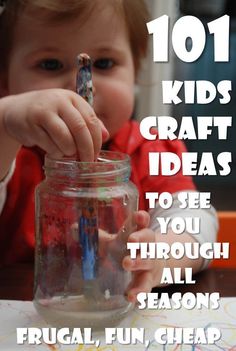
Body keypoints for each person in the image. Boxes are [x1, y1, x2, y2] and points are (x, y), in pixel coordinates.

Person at [0, 0, 218, 303]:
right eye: (50, 64)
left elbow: (196, 224)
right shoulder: (13, 152)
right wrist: (4, 123)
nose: (80, 87)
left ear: (136, 67)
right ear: (4, 80)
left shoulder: (151, 149)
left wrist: (156, 257)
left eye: (103, 64)